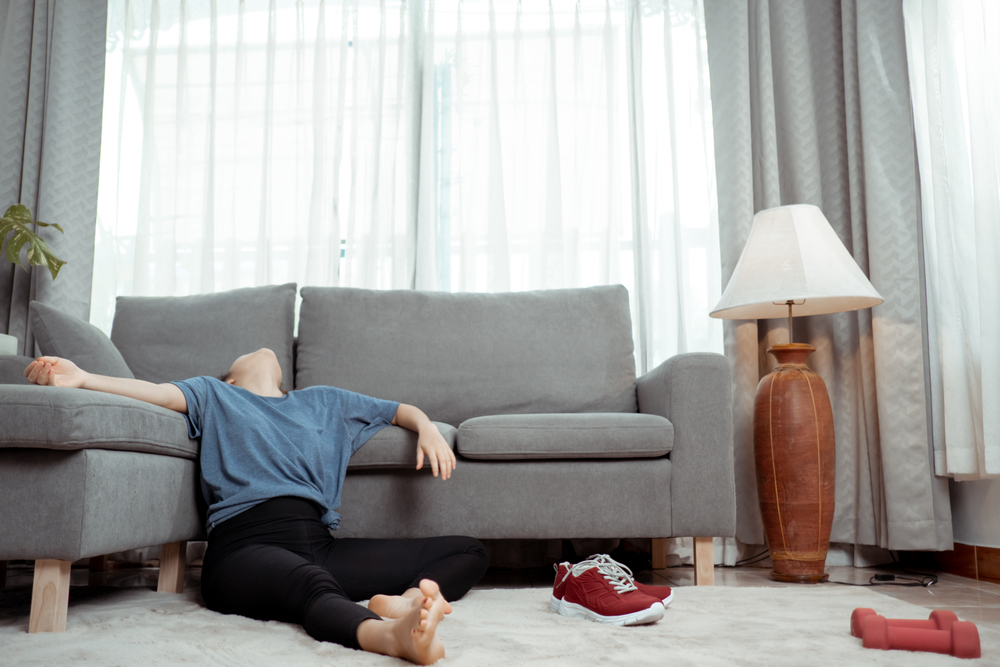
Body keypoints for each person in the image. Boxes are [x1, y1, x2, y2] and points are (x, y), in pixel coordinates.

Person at [24, 349, 488, 665]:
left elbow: (396, 410)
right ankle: (390, 638)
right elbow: (157, 392)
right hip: (244, 548)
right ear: (231, 376)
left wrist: (426, 427)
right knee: (313, 585)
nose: (262, 350)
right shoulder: (214, 393)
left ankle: (403, 603)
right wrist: (82, 377)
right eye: (245, 354)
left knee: (468, 550)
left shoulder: (324, 401)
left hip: (318, 541)